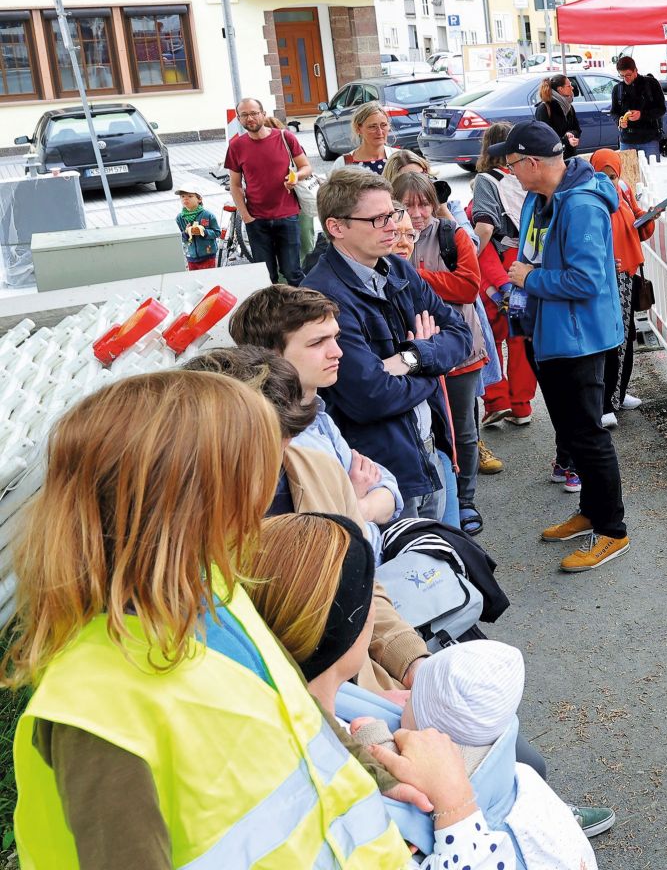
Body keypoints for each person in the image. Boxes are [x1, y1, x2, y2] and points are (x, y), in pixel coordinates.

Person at [4, 371, 495, 870]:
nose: (265, 493)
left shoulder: (214, 590)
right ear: (192, 501)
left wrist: (376, 773)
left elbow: (294, 711)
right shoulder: (96, 712)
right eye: (252, 474)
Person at [246, 516, 598, 869]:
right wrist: (455, 803)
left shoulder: (284, 704)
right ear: (350, 630)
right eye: (370, 598)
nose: (379, 603)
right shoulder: (347, 800)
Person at [180, 345, 430, 688]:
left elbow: (361, 584)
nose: (282, 452)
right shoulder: (184, 530)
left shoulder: (321, 470)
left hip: (364, 685)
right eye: (259, 445)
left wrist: (411, 660)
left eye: (285, 436)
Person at [495, 120, 630, 573]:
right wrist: (522, 282)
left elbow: (588, 280)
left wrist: (530, 279)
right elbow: (532, 254)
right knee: (572, 433)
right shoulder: (540, 198)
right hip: (548, 331)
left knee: (588, 436)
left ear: (533, 163)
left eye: (512, 164)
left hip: (579, 338)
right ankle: (591, 512)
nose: (509, 172)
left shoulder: (582, 206)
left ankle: (612, 531)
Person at [302, 167, 471, 522]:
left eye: (393, 214)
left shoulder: (398, 269)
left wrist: (411, 358)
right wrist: (431, 371)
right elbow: (370, 397)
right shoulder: (323, 295)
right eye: (378, 219)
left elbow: (460, 334)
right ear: (336, 227)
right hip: (381, 471)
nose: (394, 226)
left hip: (428, 448)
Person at [227, 284, 407, 533]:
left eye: (335, 337)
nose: (337, 352)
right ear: (269, 355)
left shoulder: (317, 416)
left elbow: (388, 488)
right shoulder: (270, 442)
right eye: (317, 343)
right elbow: (317, 534)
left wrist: (353, 507)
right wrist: (354, 503)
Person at [394, 170, 491, 537]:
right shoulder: (391, 238)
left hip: (460, 352)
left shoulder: (452, 236)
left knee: (463, 430)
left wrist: (415, 275)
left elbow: (468, 286)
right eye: (407, 205)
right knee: (428, 429)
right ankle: (437, 499)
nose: (417, 213)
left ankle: (465, 499)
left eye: (424, 204)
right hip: (415, 354)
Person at [470, 121, 536, 433]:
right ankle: (522, 405)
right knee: (520, 337)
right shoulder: (526, 179)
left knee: (489, 335)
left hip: (494, 263)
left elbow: (484, 229)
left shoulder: (485, 181)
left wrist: (467, 256)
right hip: (523, 263)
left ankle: (496, 401)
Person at [589, 149, 653, 427]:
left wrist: (649, 216)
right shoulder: (591, 196)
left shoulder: (622, 190)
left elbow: (638, 225)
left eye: (613, 176)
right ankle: (605, 402)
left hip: (626, 272)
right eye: (605, 175)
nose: (610, 181)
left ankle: (619, 393)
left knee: (626, 335)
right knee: (610, 338)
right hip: (608, 275)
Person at [224, 95, 311, 284]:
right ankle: (273, 312)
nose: (250, 118)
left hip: (287, 215)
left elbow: (306, 167)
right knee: (265, 276)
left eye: (254, 113)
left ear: (263, 114)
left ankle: (302, 311)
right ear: (239, 119)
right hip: (257, 219)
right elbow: (235, 185)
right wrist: (246, 217)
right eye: (244, 115)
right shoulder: (236, 146)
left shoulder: (285, 137)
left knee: (292, 273)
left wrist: (295, 177)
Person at [611, 54, 667, 158]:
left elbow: (661, 109)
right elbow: (614, 112)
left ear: (635, 70)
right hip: (627, 140)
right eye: (622, 76)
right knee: (628, 173)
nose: (625, 79)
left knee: (651, 172)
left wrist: (641, 115)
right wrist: (619, 121)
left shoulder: (651, 84)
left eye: (628, 75)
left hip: (649, 139)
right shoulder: (617, 89)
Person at [341, 102, 399, 173]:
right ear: (358, 129)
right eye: (372, 126)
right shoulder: (344, 163)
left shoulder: (398, 158)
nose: (379, 132)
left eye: (383, 125)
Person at [535, 74, 582, 159]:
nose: (572, 88)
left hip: (570, 156)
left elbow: (577, 129)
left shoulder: (569, 107)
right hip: (552, 159)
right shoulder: (544, 108)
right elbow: (545, 136)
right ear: (560, 89)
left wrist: (571, 134)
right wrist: (566, 139)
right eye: (569, 86)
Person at [175, 188, 220, 271]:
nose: (185, 198)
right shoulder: (180, 218)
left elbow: (217, 232)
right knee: (194, 277)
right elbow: (178, 237)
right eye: (182, 196)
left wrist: (204, 232)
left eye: (190, 196)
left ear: (199, 199)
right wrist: (186, 232)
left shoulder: (208, 215)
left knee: (209, 277)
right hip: (190, 255)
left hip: (208, 254)